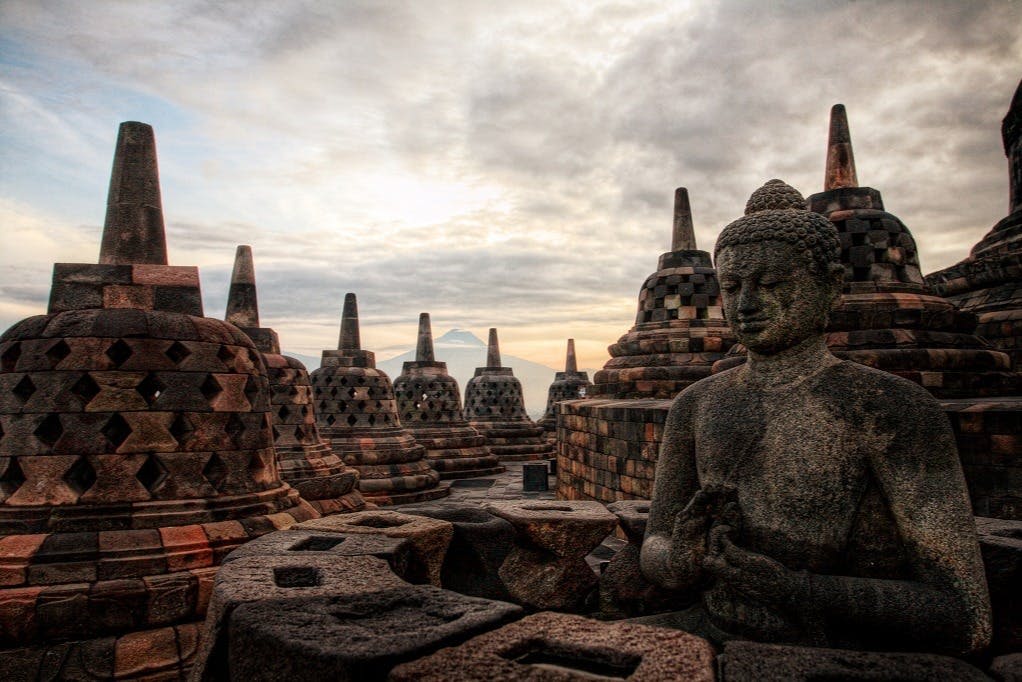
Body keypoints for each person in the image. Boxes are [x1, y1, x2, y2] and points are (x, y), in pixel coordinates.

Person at [639, 180, 991, 655]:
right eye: (734, 286)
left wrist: (798, 591)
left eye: (773, 284)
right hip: (706, 628)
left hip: (836, 651)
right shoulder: (696, 405)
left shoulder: (889, 408)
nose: (746, 305)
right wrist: (677, 560)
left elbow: (963, 615)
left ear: (829, 287)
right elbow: (655, 543)